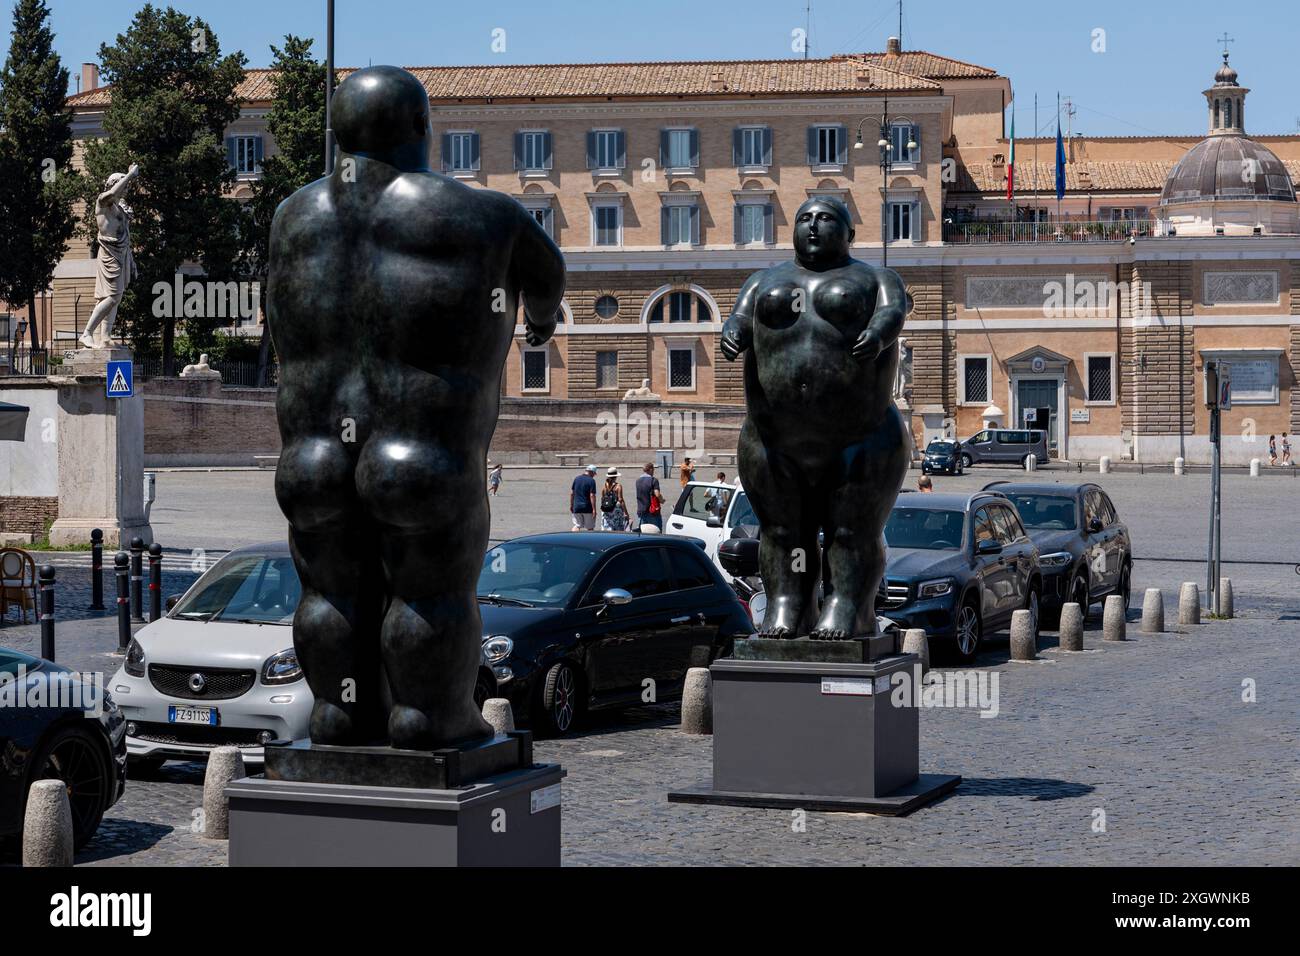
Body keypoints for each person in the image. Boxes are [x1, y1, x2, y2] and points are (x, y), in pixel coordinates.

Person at [267, 66, 566, 750]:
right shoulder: (488, 215)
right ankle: (426, 717)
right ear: (420, 129)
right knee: (430, 595)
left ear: (338, 134)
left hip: (310, 456)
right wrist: (540, 322)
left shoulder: (290, 218)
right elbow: (548, 280)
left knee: (327, 595)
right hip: (423, 454)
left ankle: (338, 715)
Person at [721, 196, 910, 640]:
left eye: (825, 219)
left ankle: (848, 606)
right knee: (782, 532)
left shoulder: (877, 278)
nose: (812, 226)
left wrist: (879, 332)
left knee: (850, 532)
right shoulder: (763, 280)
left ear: (850, 233)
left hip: (859, 437)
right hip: (773, 439)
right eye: (805, 218)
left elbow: (893, 312)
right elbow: (740, 317)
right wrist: (733, 331)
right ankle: (788, 604)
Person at [635, 461, 665, 531]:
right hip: (652, 511)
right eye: (653, 469)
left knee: (643, 532)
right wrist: (662, 500)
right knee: (656, 531)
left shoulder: (638, 481)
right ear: (651, 469)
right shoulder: (653, 480)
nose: (653, 471)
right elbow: (657, 494)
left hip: (641, 511)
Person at [570, 464, 597, 530]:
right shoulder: (591, 481)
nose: (594, 475)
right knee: (590, 528)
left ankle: (572, 536)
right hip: (587, 508)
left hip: (577, 507)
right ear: (592, 472)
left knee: (577, 525)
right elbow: (592, 495)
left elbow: (572, 493)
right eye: (594, 474)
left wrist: (571, 505)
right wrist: (594, 509)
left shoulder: (577, 479)